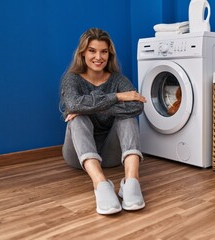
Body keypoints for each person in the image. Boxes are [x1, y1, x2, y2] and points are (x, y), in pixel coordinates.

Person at [60, 28, 147, 215]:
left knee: (128, 117)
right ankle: (100, 184)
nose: (98, 57)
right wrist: (117, 97)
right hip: (78, 156)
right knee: (78, 118)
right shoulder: (72, 79)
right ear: (83, 53)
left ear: (110, 54)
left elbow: (137, 107)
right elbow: (73, 104)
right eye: (92, 50)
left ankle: (131, 182)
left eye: (104, 51)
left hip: (112, 155)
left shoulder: (118, 79)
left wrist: (86, 106)